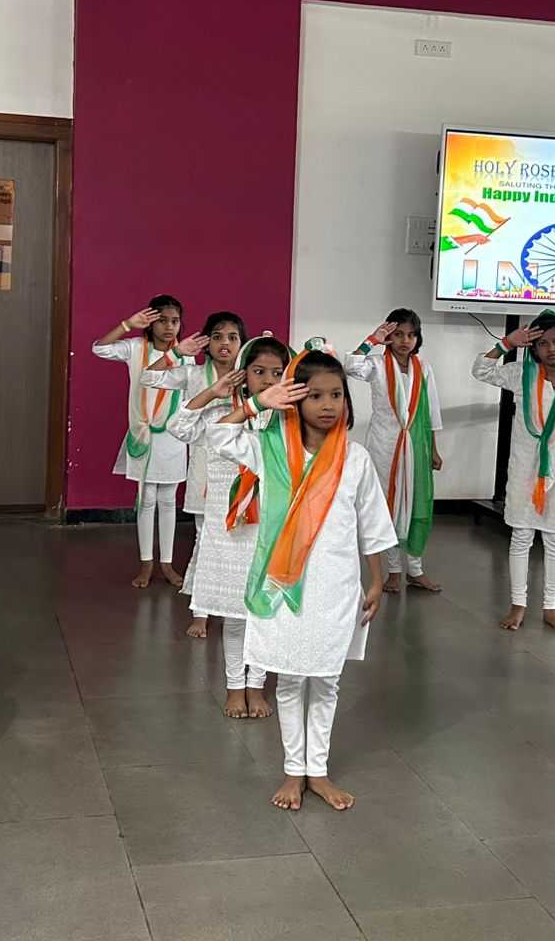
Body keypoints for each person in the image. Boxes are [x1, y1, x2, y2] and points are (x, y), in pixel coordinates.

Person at [211, 343, 395, 811]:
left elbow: (373, 525)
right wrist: (257, 403)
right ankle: (295, 771)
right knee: (291, 681)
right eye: (314, 395)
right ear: (294, 398)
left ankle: (319, 772)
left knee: (327, 682)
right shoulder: (268, 449)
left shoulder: (355, 459)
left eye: (336, 395)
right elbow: (217, 436)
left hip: (336, 589)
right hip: (283, 589)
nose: (328, 405)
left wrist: (377, 580)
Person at [169, 335, 290, 717]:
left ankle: (257, 685)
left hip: (271, 526)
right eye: (259, 371)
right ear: (243, 373)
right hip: (230, 530)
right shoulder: (222, 410)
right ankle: (235, 686)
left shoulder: (288, 417)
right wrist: (212, 392)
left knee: (264, 615)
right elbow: (177, 427)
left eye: (277, 372)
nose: (268, 380)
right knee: (235, 617)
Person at [472, 311, 555, 634]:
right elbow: (481, 370)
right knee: (521, 535)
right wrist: (507, 344)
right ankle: (518, 604)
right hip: (524, 468)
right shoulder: (520, 374)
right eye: (543, 343)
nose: (551, 348)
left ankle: (551, 607)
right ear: (534, 348)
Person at [146, 312, 248, 638]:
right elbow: (148, 378)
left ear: (242, 344)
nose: (225, 343)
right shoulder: (192, 374)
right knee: (206, 539)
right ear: (206, 342)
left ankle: (234, 605)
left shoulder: (250, 376)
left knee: (241, 541)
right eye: (217, 337)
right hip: (205, 468)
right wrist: (176, 353)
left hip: (244, 467)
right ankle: (201, 611)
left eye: (232, 337)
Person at [94, 296, 190, 588]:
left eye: (174, 321)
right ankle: (146, 563)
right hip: (143, 435)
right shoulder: (137, 348)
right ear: (150, 322)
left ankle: (167, 564)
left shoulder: (185, 355)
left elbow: (188, 398)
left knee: (169, 501)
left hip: (172, 437)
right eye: (162, 320)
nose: (169, 327)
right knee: (146, 499)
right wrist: (127, 325)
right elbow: (99, 348)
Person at [347, 309, 444, 594]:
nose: (405, 341)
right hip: (384, 446)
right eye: (398, 334)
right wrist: (372, 340)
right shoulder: (377, 364)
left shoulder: (423, 367)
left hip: (416, 446)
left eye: (411, 335)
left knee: (416, 504)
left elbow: (432, 411)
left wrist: (433, 449)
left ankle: (415, 569)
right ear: (389, 336)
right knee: (387, 505)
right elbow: (351, 366)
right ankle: (393, 570)